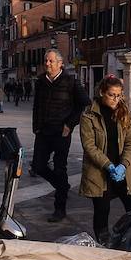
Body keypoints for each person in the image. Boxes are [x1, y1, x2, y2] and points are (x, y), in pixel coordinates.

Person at [79, 77, 131, 245]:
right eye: (111, 95)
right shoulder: (88, 115)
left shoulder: (124, 112)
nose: (116, 99)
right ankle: (104, 244)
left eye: (119, 95)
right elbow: (89, 146)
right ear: (101, 93)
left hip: (123, 171)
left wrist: (123, 165)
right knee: (102, 211)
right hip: (99, 172)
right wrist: (109, 166)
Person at [32, 49, 89, 222]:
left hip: (62, 132)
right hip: (43, 131)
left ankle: (60, 208)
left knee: (59, 167)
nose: (47, 64)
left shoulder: (71, 81)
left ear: (60, 63)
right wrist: (36, 127)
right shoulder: (40, 81)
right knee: (38, 166)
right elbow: (36, 105)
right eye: (46, 61)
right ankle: (62, 186)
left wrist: (69, 124)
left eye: (50, 61)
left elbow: (84, 104)